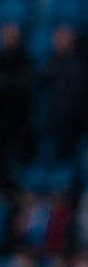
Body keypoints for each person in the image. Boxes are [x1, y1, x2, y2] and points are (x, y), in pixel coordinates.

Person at [0, 22, 35, 191]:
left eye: (11, 36)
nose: (6, 40)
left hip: (21, 125)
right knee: (0, 167)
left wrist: (1, 81)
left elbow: (25, 84)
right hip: (0, 124)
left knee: (18, 169)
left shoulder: (25, 60)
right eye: (4, 36)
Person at [45, 23, 88, 164]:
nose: (55, 42)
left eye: (60, 38)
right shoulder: (53, 64)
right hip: (58, 126)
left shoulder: (81, 65)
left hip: (77, 125)